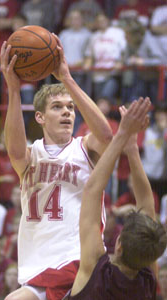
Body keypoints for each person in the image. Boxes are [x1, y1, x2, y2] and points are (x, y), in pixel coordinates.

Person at [1, 33, 112, 300]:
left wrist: (67, 79)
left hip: (78, 260)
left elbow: (108, 137)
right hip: (37, 266)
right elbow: (14, 150)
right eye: (57, 107)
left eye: (70, 108)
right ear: (39, 116)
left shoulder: (85, 148)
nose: (67, 112)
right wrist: (14, 90)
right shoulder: (30, 156)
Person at [68, 98, 167, 299]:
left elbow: (92, 190)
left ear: (119, 245)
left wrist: (122, 136)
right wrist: (130, 147)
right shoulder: (147, 280)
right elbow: (147, 206)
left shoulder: (96, 270)